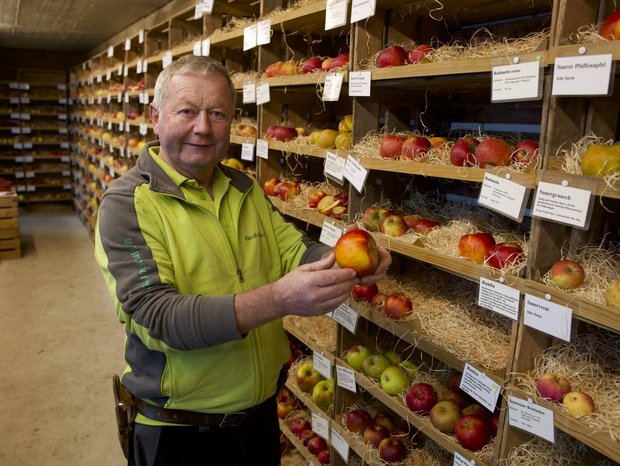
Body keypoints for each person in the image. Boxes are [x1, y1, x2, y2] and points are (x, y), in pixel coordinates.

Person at [94, 54, 390, 466]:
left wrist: (346, 260)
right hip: (180, 434)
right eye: (187, 111)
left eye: (217, 113)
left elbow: (291, 248)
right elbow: (155, 316)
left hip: (259, 420)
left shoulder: (243, 187)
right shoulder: (127, 204)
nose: (203, 127)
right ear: (155, 117)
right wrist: (279, 300)